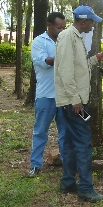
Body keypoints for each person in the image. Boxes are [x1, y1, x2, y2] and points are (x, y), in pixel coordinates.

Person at [54, 5, 103, 203]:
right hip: (73, 102)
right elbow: (65, 70)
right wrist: (75, 99)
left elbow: (78, 66)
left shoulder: (73, 37)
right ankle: (85, 188)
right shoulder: (69, 37)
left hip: (69, 101)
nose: (93, 25)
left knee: (68, 142)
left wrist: (95, 59)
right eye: (91, 21)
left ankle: (68, 182)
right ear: (83, 21)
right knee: (84, 142)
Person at [27, 12, 68, 178]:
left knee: (65, 132)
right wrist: (63, 57)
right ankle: (35, 165)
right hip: (46, 95)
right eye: (59, 27)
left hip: (64, 96)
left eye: (64, 28)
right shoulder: (39, 42)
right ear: (49, 25)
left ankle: (67, 164)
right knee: (40, 131)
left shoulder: (65, 40)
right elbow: (44, 62)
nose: (62, 30)